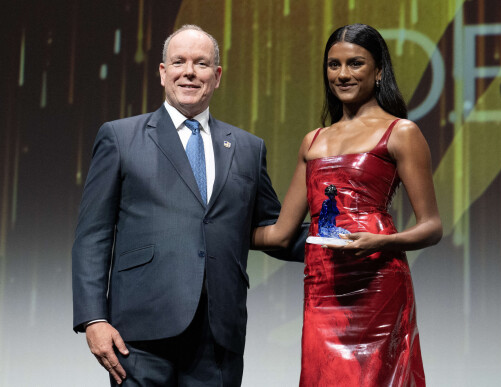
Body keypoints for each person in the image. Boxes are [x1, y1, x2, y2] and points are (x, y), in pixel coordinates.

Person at [72, 24, 304, 386]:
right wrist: (93, 319)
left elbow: (276, 228)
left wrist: (346, 238)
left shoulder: (247, 147)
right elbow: (93, 235)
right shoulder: (120, 137)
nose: (189, 72)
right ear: (163, 72)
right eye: (178, 62)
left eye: (201, 63)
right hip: (139, 334)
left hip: (218, 334)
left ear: (217, 75)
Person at [252, 24, 442, 386]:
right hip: (323, 289)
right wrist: (216, 232)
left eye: (355, 64)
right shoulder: (313, 140)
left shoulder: (401, 132)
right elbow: (279, 235)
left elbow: (431, 226)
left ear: (379, 70)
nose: (342, 74)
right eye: (333, 65)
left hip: (378, 284)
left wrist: (382, 242)